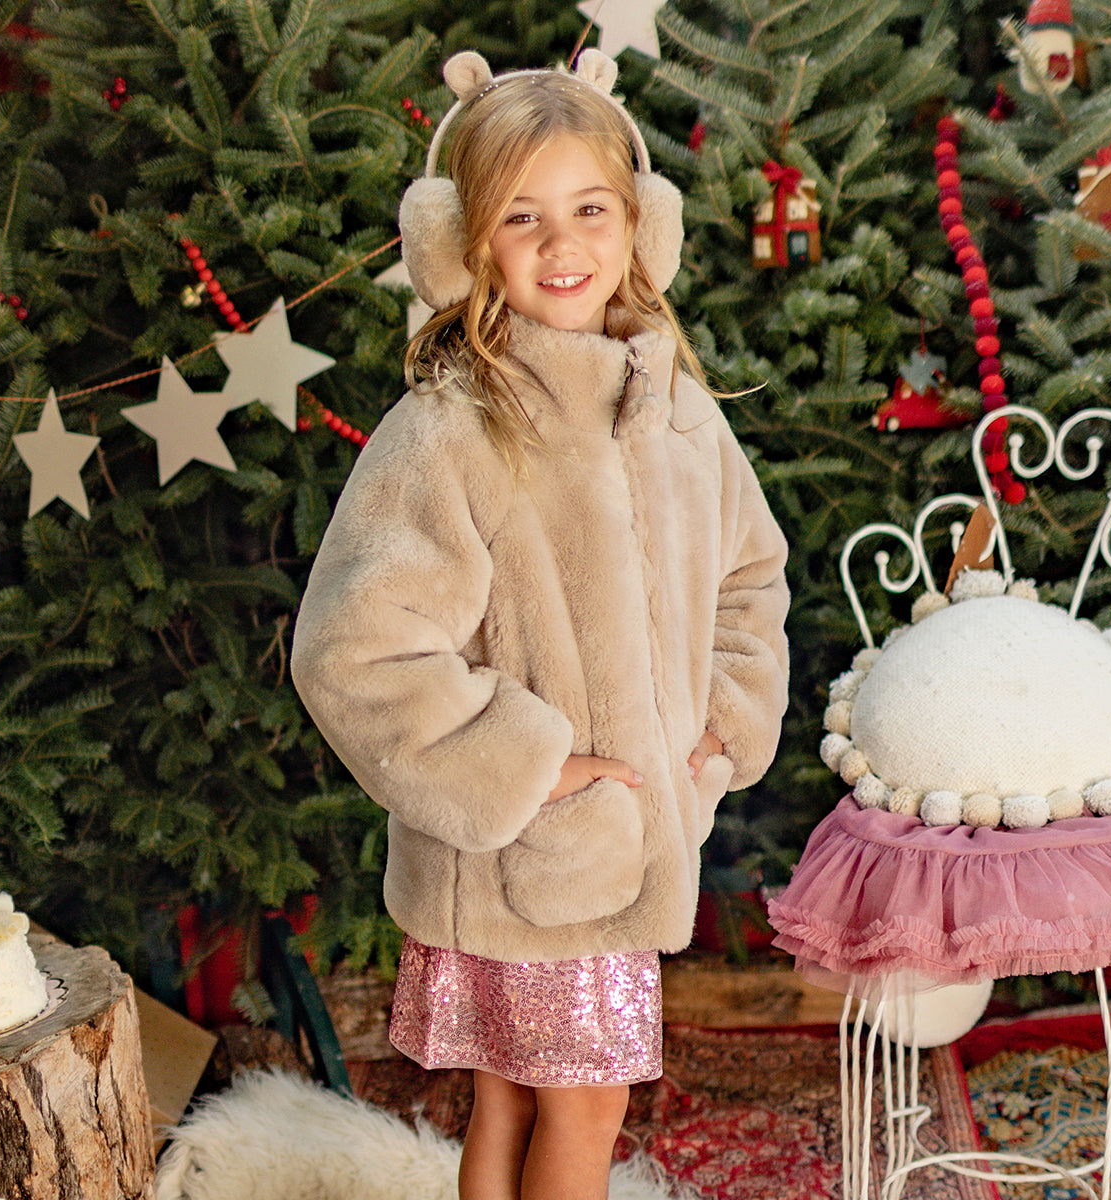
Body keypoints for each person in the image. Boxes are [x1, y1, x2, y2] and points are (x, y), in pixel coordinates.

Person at [291, 47, 790, 1200]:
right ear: (463, 246)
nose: (563, 245)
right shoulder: (451, 431)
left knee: (518, 1098)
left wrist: (721, 727)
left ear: (640, 226)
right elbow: (354, 647)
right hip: (533, 848)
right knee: (584, 1102)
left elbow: (748, 579)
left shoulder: (678, 415)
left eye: (590, 209)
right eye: (522, 217)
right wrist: (527, 765)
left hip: (624, 832)